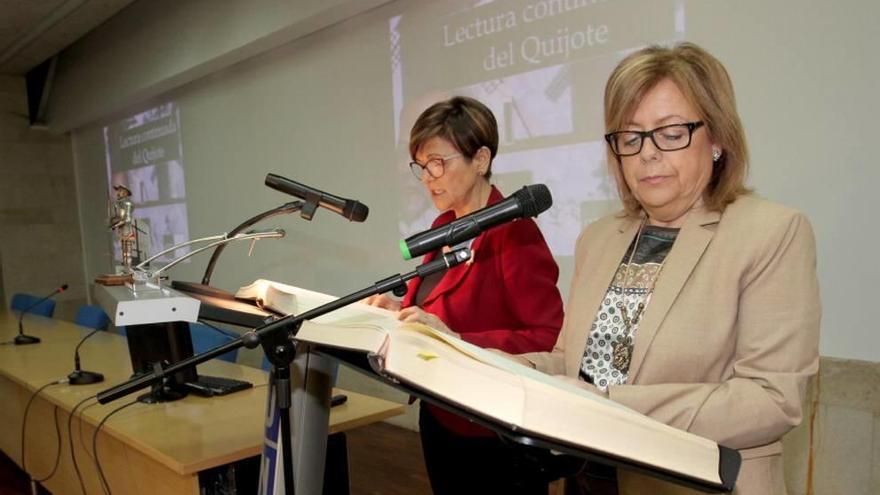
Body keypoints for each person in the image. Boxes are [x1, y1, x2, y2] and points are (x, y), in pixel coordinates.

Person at [517, 42, 820, 495]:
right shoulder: (598, 238)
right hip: (586, 478)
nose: (648, 153)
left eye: (672, 132)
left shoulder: (772, 232)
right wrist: (461, 356)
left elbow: (771, 399)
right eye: (630, 136)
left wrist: (605, 407)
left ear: (717, 139)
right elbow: (572, 364)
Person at [366, 96, 564, 494]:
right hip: (439, 412)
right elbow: (431, 309)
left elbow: (548, 336)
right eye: (422, 166)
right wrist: (396, 311)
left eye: (439, 162)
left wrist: (457, 342)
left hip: (492, 429)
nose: (428, 177)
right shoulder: (441, 226)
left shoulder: (514, 231)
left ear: (481, 159)